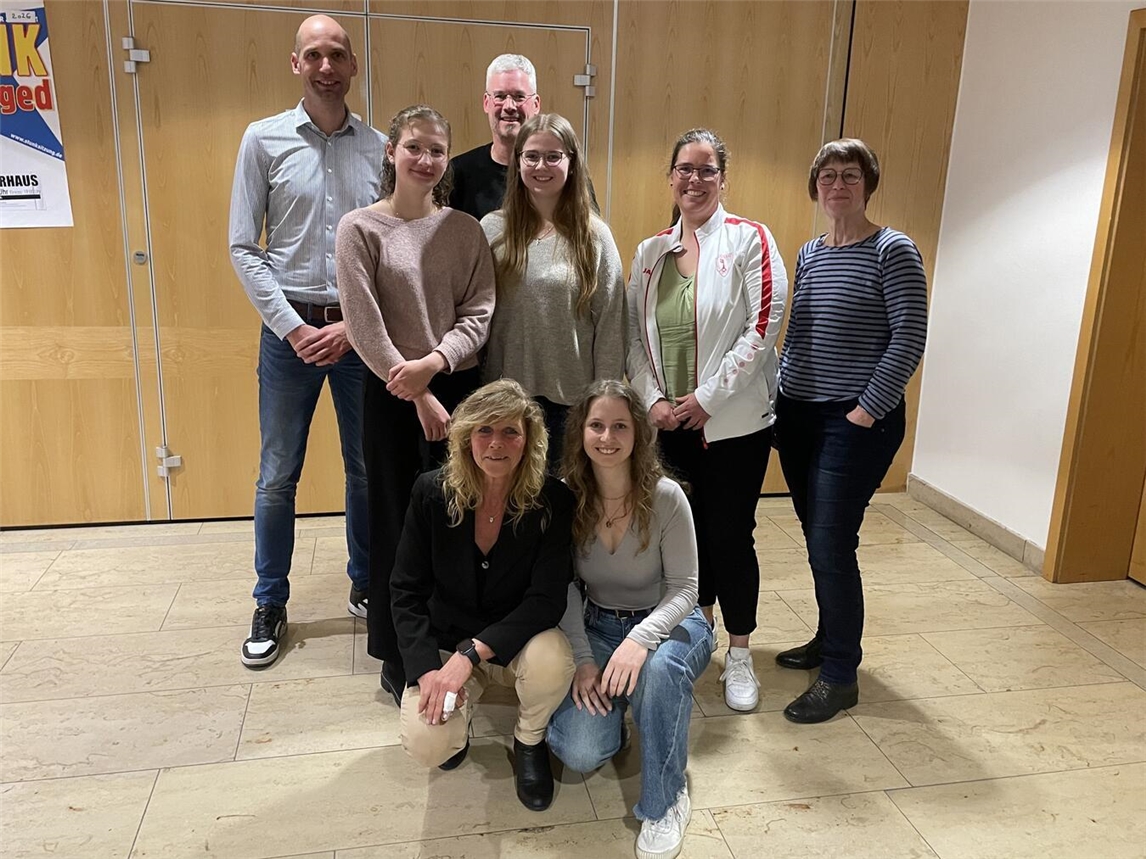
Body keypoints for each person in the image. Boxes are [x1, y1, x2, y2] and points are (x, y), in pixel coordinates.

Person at [228, 14, 386, 669]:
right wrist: (293, 327)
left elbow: (391, 251)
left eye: (337, 55)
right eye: (314, 54)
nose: (326, 66)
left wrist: (354, 325)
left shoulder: (380, 146)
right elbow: (244, 245)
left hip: (360, 335)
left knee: (366, 469)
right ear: (296, 63)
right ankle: (270, 599)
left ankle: (366, 581)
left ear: (353, 66)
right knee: (276, 477)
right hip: (286, 331)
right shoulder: (261, 141)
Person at [336, 105, 495, 705]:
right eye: (414, 148)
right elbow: (363, 322)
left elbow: (480, 311)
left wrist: (435, 367)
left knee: (455, 518)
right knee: (395, 516)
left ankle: (451, 639)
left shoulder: (464, 229)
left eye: (436, 150)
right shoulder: (360, 228)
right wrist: (417, 390)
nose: (425, 160)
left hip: (455, 387)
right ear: (391, 152)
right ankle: (398, 648)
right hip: (390, 390)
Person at [627, 128, 788, 713]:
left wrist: (706, 400)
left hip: (732, 427)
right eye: (684, 170)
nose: (693, 180)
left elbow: (765, 325)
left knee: (728, 537)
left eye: (706, 170)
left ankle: (739, 654)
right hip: (669, 427)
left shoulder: (750, 240)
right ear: (670, 178)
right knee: (679, 544)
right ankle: (697, 637)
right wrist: (654, 403)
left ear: (723, 178)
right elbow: (633, 340)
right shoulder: (649, 254)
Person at [774, 138, 927, 723]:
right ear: (815, 187)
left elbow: (908, 338)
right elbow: (798, 335)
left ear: (868, 184)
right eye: (828, 176)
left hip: (855, 421)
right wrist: (779, 401)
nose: (838, 185)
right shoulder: (810, 252)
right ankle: (827, 637)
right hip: (800, 415)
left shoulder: (893, 250)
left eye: (850, 175)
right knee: (819, 536)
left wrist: (865, 410)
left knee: (832, 542)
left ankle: (840, 674)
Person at [390, 380, 576, 812]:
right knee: (428, 745)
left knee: (553, 659)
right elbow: (405, 590)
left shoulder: (554, 500)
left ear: (528, 440)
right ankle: (460, 721)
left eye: (510, 431)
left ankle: (529, 740)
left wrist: (470, 656)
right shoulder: (430, 492)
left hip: (517, 641)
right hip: (446, 635)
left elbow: (547, 600)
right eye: (484, 431)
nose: (497, 443)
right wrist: (425, 672)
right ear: (465, 437)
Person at [548, 380, 711, 859]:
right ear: (580, 432)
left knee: (659, 675)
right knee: (578, 751)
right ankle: (625, 712)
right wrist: (581, 659)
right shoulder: (565, 498)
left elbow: (686, 589)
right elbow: (565, 587)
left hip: (671, 626)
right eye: (596, 425)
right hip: (596, 627)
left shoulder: (665, 497)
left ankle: (665, 804)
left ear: (639, 434)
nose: (607, 437)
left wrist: (641, 640)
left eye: (620, 426)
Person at [480, 113, 625, 468]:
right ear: (517, 162)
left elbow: (610, 324)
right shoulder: (492, 230)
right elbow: (477, 316)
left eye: (553, 156)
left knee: (565, 506)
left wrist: (602, 403)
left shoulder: (595, 236)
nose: (540, 166)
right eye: (531, 156)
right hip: (506, 401)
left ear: (571, 163)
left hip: (573, 403)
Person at [448, 54, 542, 220]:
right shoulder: (458, 173)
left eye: (519, 97)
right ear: (486, 102)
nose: (509, 106)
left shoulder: (558, 172)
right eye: (499, 96)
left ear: (536, 105)